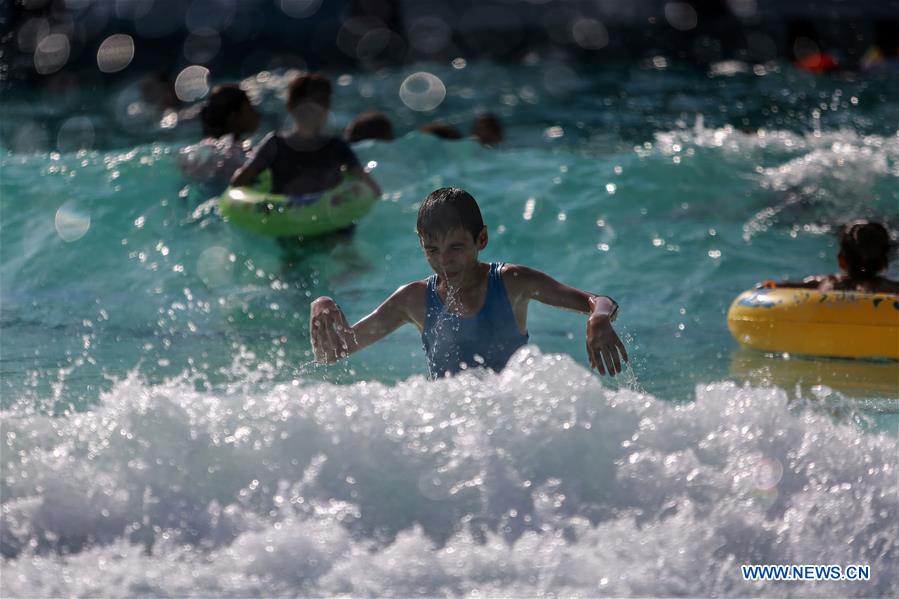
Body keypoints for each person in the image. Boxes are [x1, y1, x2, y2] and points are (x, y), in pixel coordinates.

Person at [309, 187, 628, 378]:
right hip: (454, 433)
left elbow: (599, 301)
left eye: (456, 248)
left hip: (511, 423)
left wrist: (598, 318)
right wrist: (321, 304)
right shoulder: (414, 299)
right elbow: (335, 352)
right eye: (432, 250)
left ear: (482, 239)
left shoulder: (512, 283)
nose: (444, 262)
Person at [231, 73, 380, 197]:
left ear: (290, 107)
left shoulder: (273, 145)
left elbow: (238, 182)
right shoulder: (337, 147)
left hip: (288, 223)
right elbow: (373, 189)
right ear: (326, 110)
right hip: (331, 223)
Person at [758, 220, 899, 293]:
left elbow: (805, 285)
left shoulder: (829, 283)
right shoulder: (892, 289)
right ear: (883, 263)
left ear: (841, 260)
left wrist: (775, 286)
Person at [179, 84, 259, 187]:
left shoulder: (198, 151)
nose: (256, 114)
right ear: (233, 117)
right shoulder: (240, 152)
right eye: (249, 108)